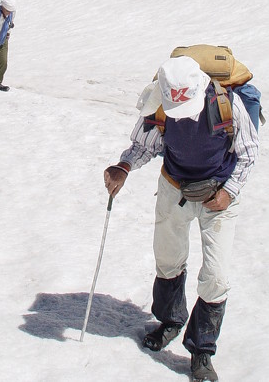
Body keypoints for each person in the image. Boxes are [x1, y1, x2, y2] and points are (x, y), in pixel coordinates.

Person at [104, 55, 258, 382]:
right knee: (168, 259)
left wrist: (228, 192)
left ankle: (202, 349)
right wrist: (124, 166)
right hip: (174, 187)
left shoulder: (225, 104)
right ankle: (171, 321)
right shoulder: (159, 103)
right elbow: (144, 145)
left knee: (216, 274)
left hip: (218, 194)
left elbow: (248, 153)